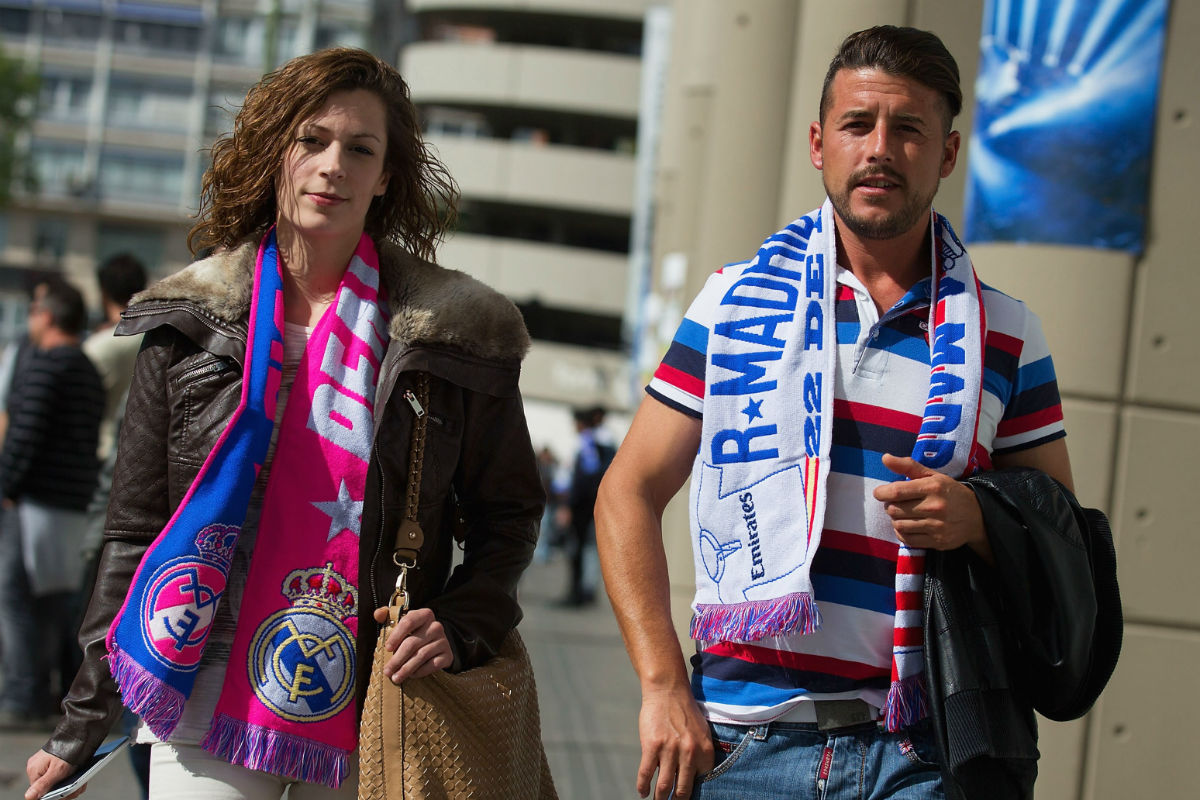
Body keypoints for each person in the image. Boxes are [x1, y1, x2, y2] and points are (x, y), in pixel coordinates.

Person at [25, 47, 545, 800]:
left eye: (360, 149)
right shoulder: (188, 323)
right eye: (312, 140)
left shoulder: (454, 334)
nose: (333, 165)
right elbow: (134, 533)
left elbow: (509, 514)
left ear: (385, 176)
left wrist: (465, 622)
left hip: (377, 691)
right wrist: (81, 724)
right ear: (277, 154)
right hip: (202, 675)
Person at [595, 26, 1074, 800]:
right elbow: (627, 491)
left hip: (927, 753)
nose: (880, 147)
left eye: (908, 129)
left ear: (948, 155)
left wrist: (977, 520)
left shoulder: (1007, 332)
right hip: (745, 746)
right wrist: (659, 686)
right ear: (820, 143)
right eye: (858, 125)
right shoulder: (731, 303)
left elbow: (1058, 530)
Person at [0, 277, 104, 731]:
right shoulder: (85, 368)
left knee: (16, 597)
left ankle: (24, 694)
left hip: (35, 501)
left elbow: (24, 438)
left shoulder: (46, 366)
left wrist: (5, 486)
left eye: (36, 307)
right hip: (72, 502)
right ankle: (49, 691)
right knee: (55, 602)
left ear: (49, 314)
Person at [82, 252, 148, 462]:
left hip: (99, 452)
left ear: (103, 292)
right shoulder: (157, 338)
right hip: (140, 453)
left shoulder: (97, 346)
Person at [559, 406, 615, 606]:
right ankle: (584, 591)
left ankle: (578, 593)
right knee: (590, 549)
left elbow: (584, 477)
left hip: (582, 506)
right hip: (592, 504)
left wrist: (568, 504)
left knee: (579, 549)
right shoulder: (603, 441)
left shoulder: (588, 442)